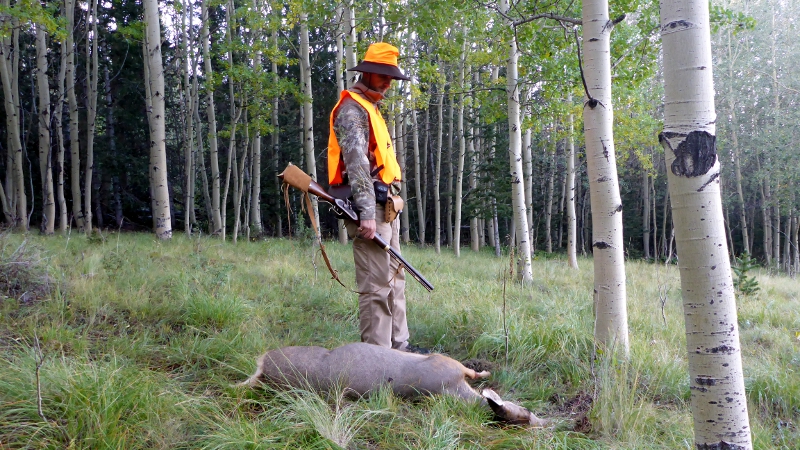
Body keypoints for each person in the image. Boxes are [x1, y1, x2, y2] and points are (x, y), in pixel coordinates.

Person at [327, 42, 426, 354]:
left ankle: (401, 350)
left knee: (396, 281)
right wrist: (367, 213)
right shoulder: (351, 111)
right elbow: (356, 165)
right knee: (376, 287)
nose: (387, 82)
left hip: (387, 210)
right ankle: (377, 360)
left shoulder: (370, 108)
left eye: (390, 77)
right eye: (382, 76)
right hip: (371, 210)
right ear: (367, 73)